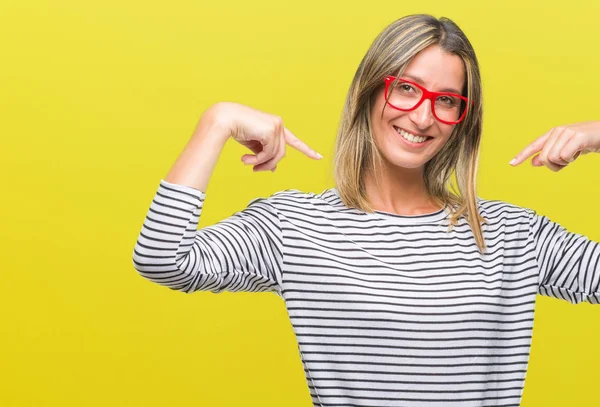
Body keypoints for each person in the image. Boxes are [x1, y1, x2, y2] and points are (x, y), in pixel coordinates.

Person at [131, 13, 600, 407]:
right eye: (406, 89)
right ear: (370, 90)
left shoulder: (511, 234)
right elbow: (161, 258)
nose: (421, 117)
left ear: (463, 121)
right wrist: (217, 121)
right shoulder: (294, 227)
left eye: (447, 101)